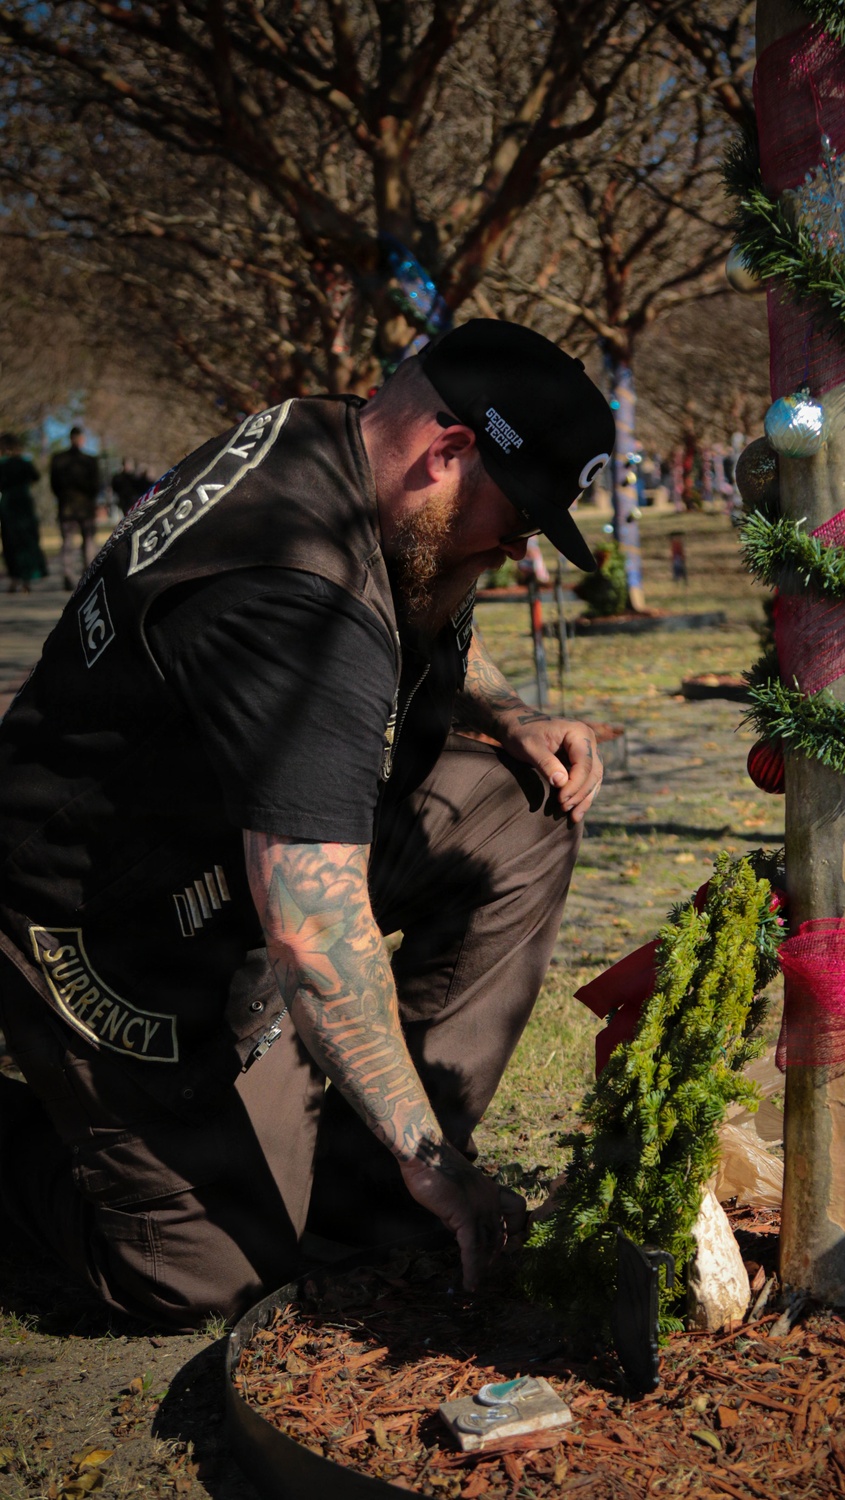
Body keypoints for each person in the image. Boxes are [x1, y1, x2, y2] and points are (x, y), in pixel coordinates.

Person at [0, 320, 614, 1329]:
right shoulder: (297, 604)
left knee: (521, 806)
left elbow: (428, 614)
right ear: (448, 451)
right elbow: (314, 931)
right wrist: (431, 1157)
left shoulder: (330, 441)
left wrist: (508, 713)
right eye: (516, 518)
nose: (517, 548)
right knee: (201, 1276)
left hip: (228, 859)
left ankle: (372, 1194)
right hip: (101, 917)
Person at [49, 425, 101, 590]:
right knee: (88, 541)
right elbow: (96, 485)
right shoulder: (89, 461)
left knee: (67, 543)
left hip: (67, 506)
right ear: (82, 439)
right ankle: (88, 575)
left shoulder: (58, 459)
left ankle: (68, 575)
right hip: (84, 507)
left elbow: (54, 485)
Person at [0, 434, 47, 593]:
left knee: (10, 543)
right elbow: (35, 477)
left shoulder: (2, 465)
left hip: (8, 506)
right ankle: (26, 579)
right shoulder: (24, 463)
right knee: (26, 541)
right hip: (24, 505)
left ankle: (15, 578)